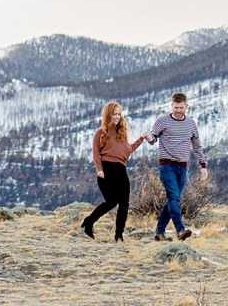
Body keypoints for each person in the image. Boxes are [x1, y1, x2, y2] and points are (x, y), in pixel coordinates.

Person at [144, 91, 208, 240]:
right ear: (171, 106)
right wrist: (148, 138)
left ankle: (159, 233)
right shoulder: (162, 121)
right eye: (176, 107)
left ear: (186, 106)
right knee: (173, 196)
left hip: (183, 166)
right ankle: (180, 230)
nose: (178, 110)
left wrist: (203, 165)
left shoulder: (191, 123)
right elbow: (153, 139)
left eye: (181, 107)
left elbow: (197, 145)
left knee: (173, 199)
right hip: (166, 165)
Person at [81, 101, 144, 240]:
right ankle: (89, 222)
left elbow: (128, 151)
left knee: (124, 203)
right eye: (114, 114)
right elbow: (96, 153)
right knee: (111, 202)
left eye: (118, 114)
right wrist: (99, 170)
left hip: (121, 171)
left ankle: (119, 235)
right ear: (108, 115)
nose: (117, 117)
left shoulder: (122, 133)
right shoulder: (100, 132)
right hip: (106, 170)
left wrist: (142, 139)